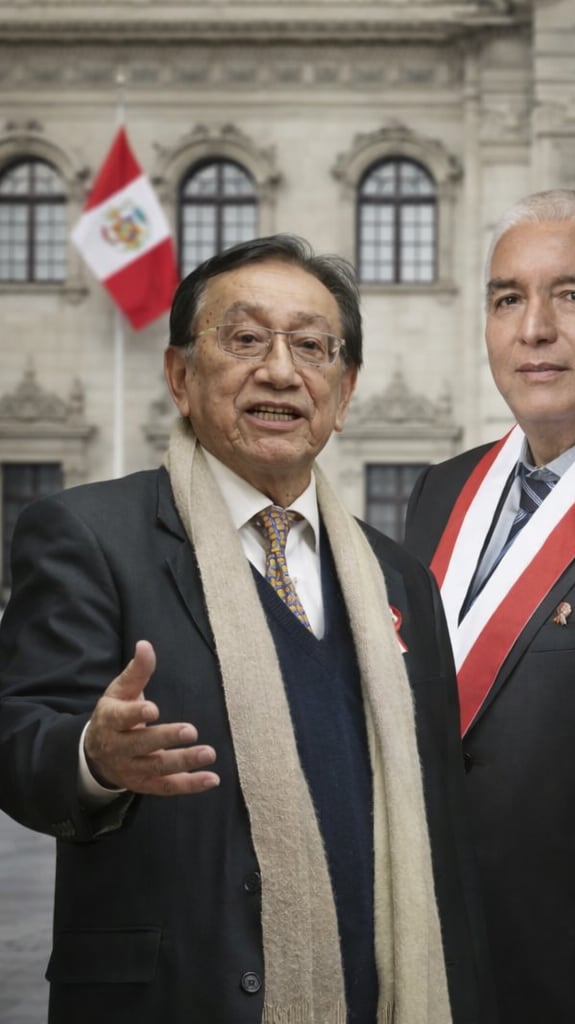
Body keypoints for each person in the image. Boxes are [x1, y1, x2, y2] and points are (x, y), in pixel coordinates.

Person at [0, 236, 491, 1024]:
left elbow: (441, 819)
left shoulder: (398, 577)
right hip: (179, 996)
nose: (280, 371)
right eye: (246, 338)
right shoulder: (89, 535)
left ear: (346, 387)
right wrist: (92, 755)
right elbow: (17, 738)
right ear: (181, 377)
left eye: (311, 346)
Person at [402, 189, 575, 1021]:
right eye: (506, 299)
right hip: (430, 962)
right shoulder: (439, 490)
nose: (533, 327)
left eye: (572, 294)